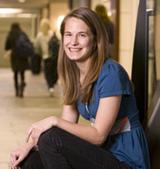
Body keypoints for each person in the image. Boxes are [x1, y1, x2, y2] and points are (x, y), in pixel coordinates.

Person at [10, 7, 150, 169]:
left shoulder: (110, 73)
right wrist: (30, 145)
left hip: (125, 160)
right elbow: (67, 124)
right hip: (101, 155)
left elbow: (98, 136)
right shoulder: (73, 74)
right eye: (68, 34)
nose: (73, 42)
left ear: (95, 40)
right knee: (31, 161)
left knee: (51, 137)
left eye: (82, 35)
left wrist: (53, 121)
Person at [5, 23, 31, 97]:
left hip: (14, 57)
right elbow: (29, 43)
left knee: (15, 74)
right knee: (22, 73)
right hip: (23, 57)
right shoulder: (23, 34)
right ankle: (22, 85)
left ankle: (16, 91)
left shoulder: (10, 35)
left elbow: (6, 47)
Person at [34, 18, 55, 96]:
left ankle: (51, 85)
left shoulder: (49, 34)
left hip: (50, 57)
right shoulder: (42, 35)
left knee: (51, 73)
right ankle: (51, 86)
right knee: (49, 72)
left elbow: (37, 46)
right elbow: (37, 46)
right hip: (48, 57)